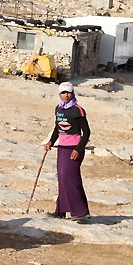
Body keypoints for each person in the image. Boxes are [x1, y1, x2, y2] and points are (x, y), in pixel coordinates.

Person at [42, 81, 91, 221]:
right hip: (62, 148)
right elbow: (57, 128)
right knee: (62, 178)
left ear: (73, 93)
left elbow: (86, 132)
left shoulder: (77, 110)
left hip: (74, 148)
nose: (66, 95)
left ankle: (81, 212)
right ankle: (60, 211)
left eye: (68, 92)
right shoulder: (58, 109)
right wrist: (51, 142)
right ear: (59, 94)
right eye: (63, 93)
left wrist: (78, 149)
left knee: (71, 179)